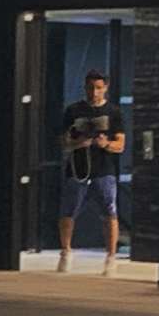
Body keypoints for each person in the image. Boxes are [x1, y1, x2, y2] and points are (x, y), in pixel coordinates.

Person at [55, 70, 128, 272]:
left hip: (104, 169)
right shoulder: (73, 111)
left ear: (105, 88)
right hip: (78, 168)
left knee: (109, 211)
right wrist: (78, 142)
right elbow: (62, 141)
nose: (94, 92)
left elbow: (121, 144)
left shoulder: (114, 112)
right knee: (68, 210)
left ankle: (111, 257)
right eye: (90, 88)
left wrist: (105, 144)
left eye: (98, 88)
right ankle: (66, 251)